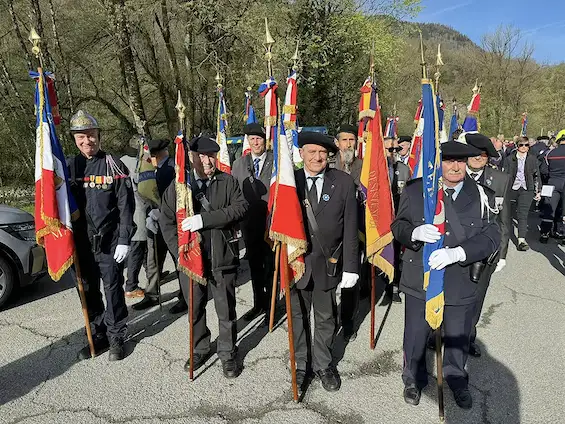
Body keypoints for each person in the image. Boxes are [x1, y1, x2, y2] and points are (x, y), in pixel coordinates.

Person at [391, 138, 500, 410]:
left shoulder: (482, 195)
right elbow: (398, 225)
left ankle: (456, 378)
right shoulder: (417, 191)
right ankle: (413, 378)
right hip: (421, 278)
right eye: (449, 161)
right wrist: (414, 233)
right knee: (416, 333)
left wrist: (459, 253)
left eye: (460, 161)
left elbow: (492, 235)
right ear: (439, 164)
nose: (455, 167)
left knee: (458, 335)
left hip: (460, 279)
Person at [159, 134, 248, 378]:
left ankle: (228, 352)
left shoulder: (227, 182)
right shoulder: (179, 187)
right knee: (195, 308)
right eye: (202, 156)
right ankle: (200, 347)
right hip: (190, 259)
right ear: (191, 157)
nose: (208, 161)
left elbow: (240, 208)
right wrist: (178, 248)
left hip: (222, 257)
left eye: (211, 155)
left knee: (225, 308)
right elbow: (165, 218)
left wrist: (204, 219)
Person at [292, 132, 359, 394]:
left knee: (325, 317)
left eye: (322, 153)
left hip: (328, 263)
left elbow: (352, 229)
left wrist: (351, 267)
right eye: (312, 152)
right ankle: (301, 364)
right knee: (298, 317)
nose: (318, 157)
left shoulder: (342, 182)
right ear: (301, 154)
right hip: (296, 264)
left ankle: (323, 364)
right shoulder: (290, 182)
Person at [67, 110, 135, 361]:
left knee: (113, 289)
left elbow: (126, 207)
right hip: (81, 244)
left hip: (109, 242)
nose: (88, 142)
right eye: (82, 137)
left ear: (99, 136)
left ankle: (117, 335)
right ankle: (97, 334)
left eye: (92, 136)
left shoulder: (114, 165)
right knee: (87, 290)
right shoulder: (69, 167)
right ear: (75, 139)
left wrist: (125, 239)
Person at [464, 132, 509, 357]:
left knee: (477, 297)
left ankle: (468, 337)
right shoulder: (453, 173)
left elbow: (504, 218)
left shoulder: (500, 179)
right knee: (450, 295)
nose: (478, 157)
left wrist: (502, 253)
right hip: (456, 248)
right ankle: (440, 334)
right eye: (474, 153)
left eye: (483, 154)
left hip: (485, 252)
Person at [133, 139, 185, 313]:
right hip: (155, 222)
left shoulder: (171, 169)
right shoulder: (155, 169)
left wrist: (160, 213)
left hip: (171, 223)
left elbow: (176, 198)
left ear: (157, 154)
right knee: (153, 261)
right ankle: (152, 294)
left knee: (179, 261)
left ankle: (185, 295)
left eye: (152, 155)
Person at [231, 123, 274, 320]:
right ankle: (259, 303)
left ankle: (273, 306)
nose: (256, 142)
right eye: (252, 139)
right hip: (249, 224)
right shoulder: (239, 164)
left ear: (265, 140)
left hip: (272, 222)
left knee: (271, 266)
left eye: (259, 139)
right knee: (255, 266)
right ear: (248, 141)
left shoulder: (277, 161)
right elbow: (234, 194)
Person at [329, 124, 363, 341]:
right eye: (344, 140)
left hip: (356, 230)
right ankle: (331, 320)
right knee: (330, 280)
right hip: (331, 232)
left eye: (352, 140)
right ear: (337, 143)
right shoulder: (329, 165)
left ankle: (348, 320)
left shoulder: (365, 166)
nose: (348, 144)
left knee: (351, 279)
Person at [120, 136, 149, 298]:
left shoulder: (117, 162)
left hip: (124, 211)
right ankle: (131, 285)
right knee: (137, 249)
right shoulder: (136, 164)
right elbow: (144, 188)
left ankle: (152, 274)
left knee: (140, 249)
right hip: (138, 210)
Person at [384, 136, 410, 303]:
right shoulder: (375, 169)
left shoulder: (405, 169)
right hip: (379, 220)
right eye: (389, 149)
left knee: (395, 253)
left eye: (396, 150)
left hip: (398, 219)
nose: (393, 153)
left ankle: (392, 285)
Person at [502, 138, 541, 251]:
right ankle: (504, 237)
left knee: (522, 214)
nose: (524, 147)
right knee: (507, 213)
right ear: (516, 146)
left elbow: (536, 175)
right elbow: (504, 174)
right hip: (511, 188)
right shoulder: (510, 159)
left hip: (526, 188)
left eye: (526, 145)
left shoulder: (532, 159)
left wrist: (538, 190)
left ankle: (521, 240)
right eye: (521, 145)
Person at [540, 130, 565, 243]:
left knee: (549, 208)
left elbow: (544, 170)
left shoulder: (549, 153)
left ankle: (545, 233)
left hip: (552, 182)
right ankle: (560, 231)